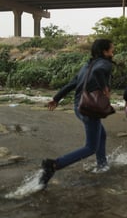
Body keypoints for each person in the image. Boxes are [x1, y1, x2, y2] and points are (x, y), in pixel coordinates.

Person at [40, 38, 115, 189]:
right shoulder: (104, 64)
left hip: (79, 106)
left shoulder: (86, 65)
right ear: (104, 51)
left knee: (102, 134)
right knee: (90, 147)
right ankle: (54, 164)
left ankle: (102, 165)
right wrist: (105, 87)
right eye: (112, 49)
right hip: (90, 108)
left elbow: (71, 84)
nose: (113, 52)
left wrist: (56, 99)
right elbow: (99, 72)